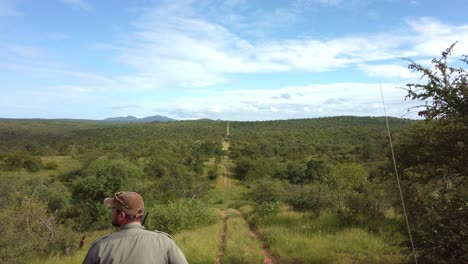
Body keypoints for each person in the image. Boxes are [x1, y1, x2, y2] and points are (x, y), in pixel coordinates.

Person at [83, 191, 188, 264]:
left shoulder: (101, 246)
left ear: (121, 215)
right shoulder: (164, 242)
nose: (112, 213)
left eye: (113, 210)